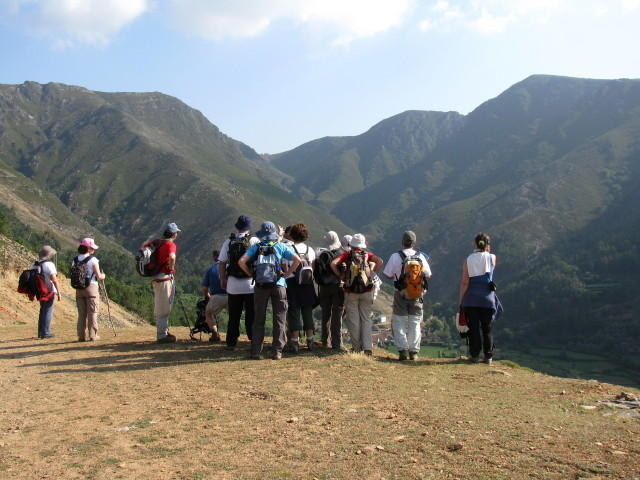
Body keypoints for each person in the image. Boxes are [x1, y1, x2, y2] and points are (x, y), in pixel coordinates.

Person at [238, 221, 300, 360]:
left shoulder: (256, 246)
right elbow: (297, 260)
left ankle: (255, 351)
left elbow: (241, 262)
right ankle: (277, 351)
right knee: (279, 318)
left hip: (260, 286)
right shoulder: (280, 246)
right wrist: (287, 273)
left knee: (259, 318)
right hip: (279, 285)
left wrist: (250, 274)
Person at [330, 233, 383, 355]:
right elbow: (380, 261)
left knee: (353, 320)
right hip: (367, 291)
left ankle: (357, 348)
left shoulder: (347, 255)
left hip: (350, 291)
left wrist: (341, 276)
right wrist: (372, 274)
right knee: (366, 319)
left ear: (351, 244)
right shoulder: (367, 255)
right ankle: (368, 348)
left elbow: (333, 264)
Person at [383, 231, 432, 361]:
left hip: (401, 293)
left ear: (402, 242)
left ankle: (403, 350)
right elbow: (428, 274)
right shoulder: (420, 256)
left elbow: (387, 274)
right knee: (415, 322)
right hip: (417, 293)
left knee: (399, 321)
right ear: (414, 243)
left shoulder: (395, 256)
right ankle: (413, 352)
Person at [458, 232, 502, 364]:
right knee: (486, 328)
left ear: (474, 243)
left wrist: (461, 300)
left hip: (471, 298)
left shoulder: (468, 260)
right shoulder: (492, 258)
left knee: (474, 328)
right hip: (487, 298)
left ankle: (474, 355)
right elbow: (490, 263)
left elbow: (465, 282)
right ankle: (488, 356)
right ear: (487, 245)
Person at [218, 215, 259, 351]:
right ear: (249, 227)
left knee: (234, 316)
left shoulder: (228, 242)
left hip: (233, 285)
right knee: (251, 315)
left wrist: (223, 279)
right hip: (251, 284)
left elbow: (222, 263)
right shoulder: (254, 240)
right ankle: (254, 341)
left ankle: (231, 343)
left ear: (237, 227)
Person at [285, 223, 318, 352]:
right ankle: (310, 340)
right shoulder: (310, 250)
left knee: (294, 311)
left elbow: (284, 266)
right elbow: (312, 267)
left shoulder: (289, 248)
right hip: (307, 283)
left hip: (292, 282)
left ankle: (294, 342)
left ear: (292, 235)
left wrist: (286, 275)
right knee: (307, 311)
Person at [315, 231, 345, 350]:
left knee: (325, 314)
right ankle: (337, 343)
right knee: (337, 315)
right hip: (337, 286)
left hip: (324, 287)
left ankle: (324, 341)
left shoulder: (321, 253)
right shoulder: (341, 253)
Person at [151, 223, 180, 343]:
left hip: (156, 277)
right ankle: (162, 335)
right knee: (164, 306)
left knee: (161, 304)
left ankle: (164, 331)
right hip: (165, 278)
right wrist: (171, 268)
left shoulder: (158, 244)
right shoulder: (170, 244)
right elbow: (172, 257)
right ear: (174, 234)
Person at [73, 238, 105, 342]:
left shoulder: (75, 260)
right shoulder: (93, 260)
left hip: (78, 288)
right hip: (91, 288)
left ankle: (81, 336)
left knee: (82, 313)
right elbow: (98, 276)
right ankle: (93, 335)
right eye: (92, 248)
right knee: (92, 312)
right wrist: (103, 276)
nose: (94, 250)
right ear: (88, 248)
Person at [200, 249, 227, 343]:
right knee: (234, 316)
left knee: (208, 313)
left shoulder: (211, 269)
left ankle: (214, 333)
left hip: (216, 296)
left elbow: (204, 288)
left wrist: (208, 297)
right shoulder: (229, 267)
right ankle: (233, 336)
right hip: (231, 295)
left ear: (214, 257)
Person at [35, 245, 61, 339]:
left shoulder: (36, 264)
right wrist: (59, 292)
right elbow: (54, 279)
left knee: (42, 310)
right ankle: (46, 332)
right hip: (49, 291)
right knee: (48, 311)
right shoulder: (49, 264)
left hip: (40, 291)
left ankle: (41, 332)